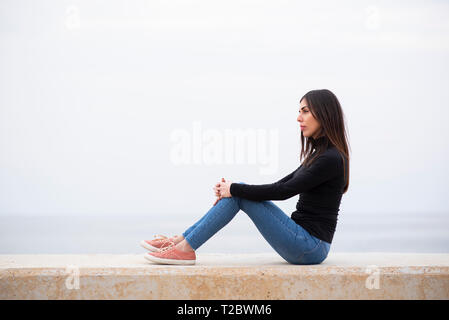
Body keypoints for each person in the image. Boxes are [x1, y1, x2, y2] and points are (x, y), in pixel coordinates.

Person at [141, 89, 350, 265]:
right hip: (304, 241)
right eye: (299, 112)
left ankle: (184, 248)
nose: (298, 118)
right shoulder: (320, 155)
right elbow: (280, 185)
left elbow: (284, 192)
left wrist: (233, 190)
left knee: (238, 192)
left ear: (323, 114)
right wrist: (232, 189)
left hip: (310, 246)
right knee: (238, 190)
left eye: (305, 111)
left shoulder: (330, 158)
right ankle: (180, 242)